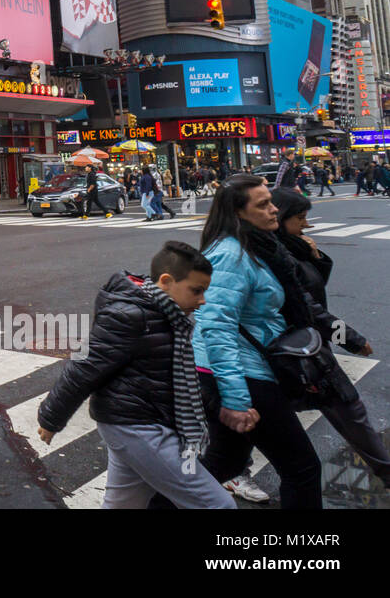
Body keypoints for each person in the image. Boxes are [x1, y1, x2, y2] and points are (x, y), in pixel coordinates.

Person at [37, 241, 232, 508]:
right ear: (165, 281)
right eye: (196, 291)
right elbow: (84, 368)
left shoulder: (168, 313)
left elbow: (174, 376)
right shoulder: (130, 315)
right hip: (135, 426)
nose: (202, 301)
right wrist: (51, 418)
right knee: (218, 505)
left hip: (139, 421)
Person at [193, 174, 323, 509]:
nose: (274, 209)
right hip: (242, 373)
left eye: (271, 201)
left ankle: (159, 503)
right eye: (263, 204)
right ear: (238, 214)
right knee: (302, 468)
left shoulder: (259, 246)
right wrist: (235, 399)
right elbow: (216, 327)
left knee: (225, 462)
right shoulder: (232, 255)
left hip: (243, 366)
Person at [269, 188, 390, 483]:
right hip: (296, 346)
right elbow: (308, 306)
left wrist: (314, 254)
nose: (306, 224)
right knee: (347, 407)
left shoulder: (290, 246)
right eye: (300, 218)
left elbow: (314, 288)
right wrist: (349, 339)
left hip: (304, 343)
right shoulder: (273, 253)